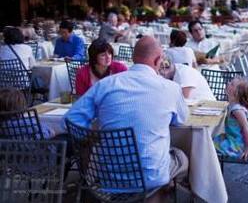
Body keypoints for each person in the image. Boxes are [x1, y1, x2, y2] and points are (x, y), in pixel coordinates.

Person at [65, 36, 189, 191]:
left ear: (133, 58)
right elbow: (181, 120)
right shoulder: (171, 88)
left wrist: (94, 137)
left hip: (108, 176)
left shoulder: (105, 84)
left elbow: (72, 118)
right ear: (158, 61)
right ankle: (160, 194)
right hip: (150, 177)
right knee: (182, 158)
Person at [213, 78, 248, 160]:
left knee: (209, 145)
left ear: (236, 94)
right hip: (236, 138)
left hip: (240, 145)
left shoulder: (237, 110)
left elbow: (246, 128)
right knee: (212, 139)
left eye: (232, 84)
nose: (228, 82)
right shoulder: (233, 105)